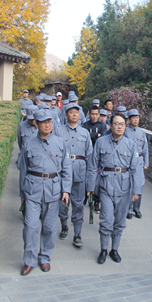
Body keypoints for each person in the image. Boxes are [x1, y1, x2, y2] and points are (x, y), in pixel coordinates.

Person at [17, 110, 72, 275]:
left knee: (49, 227)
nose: (47, 125)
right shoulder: (29, 144)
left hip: (53, 190)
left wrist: (66, 191)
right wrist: (22, 194)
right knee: (30, 227)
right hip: (33, 191)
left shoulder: (60, 143)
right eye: (43, 122)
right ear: (36, 124)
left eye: (49, 121)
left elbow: (67, 169)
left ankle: (45, 257)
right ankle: (29, 260)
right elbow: (23, 171)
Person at [86, 114, 142, 264]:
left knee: (119, 221)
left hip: (124, 188)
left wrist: (136, 191)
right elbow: (93, 166)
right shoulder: (101, 142)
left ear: (125, 126)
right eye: (116, 123)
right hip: (105, 186)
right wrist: (90, 187)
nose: (119, 126)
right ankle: (103, 249)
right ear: (110, 125)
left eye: (122, 124)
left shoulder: (131, 145)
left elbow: (136, 169)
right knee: (106, 220)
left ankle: (114, 249)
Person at [56, 104, 93, 247]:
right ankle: (64, 225)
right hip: (63, 173)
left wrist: (90, 180)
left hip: (80, 172)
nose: (74, 115)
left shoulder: (84, 133)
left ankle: (77, 234)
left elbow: (89, 155)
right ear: (66, 115)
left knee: (78, 204)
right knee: (63, 203)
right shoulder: (58, 132)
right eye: (71, 113)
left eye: (76, 113)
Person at [125, 109, 149, 219]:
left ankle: (137, 208)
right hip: (128, 161)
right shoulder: (125, 131)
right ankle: (128, 209)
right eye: (133, 118)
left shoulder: (142, 132)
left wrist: (146, 163)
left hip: (139, 160)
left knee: (139, 185)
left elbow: (145, 149)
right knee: (129, 185)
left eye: (137, 117)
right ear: (129, 119)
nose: (136, 119)